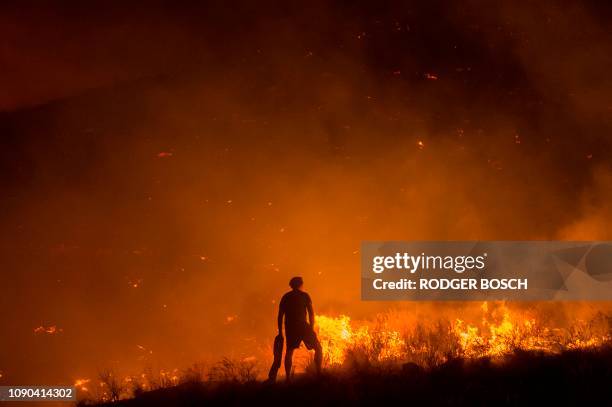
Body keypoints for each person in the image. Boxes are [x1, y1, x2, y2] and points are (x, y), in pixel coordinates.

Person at [276, 276, 322, 381]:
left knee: (289, 351)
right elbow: (311, 313)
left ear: (291, 285)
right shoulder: (305, 296)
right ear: (301, 284)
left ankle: (288, 378)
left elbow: (280, 316)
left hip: (290, 327)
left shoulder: (285, 297)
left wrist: (280, 332)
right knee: (318, 348)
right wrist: (311, 327)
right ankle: (319, 373)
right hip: (303, 326)